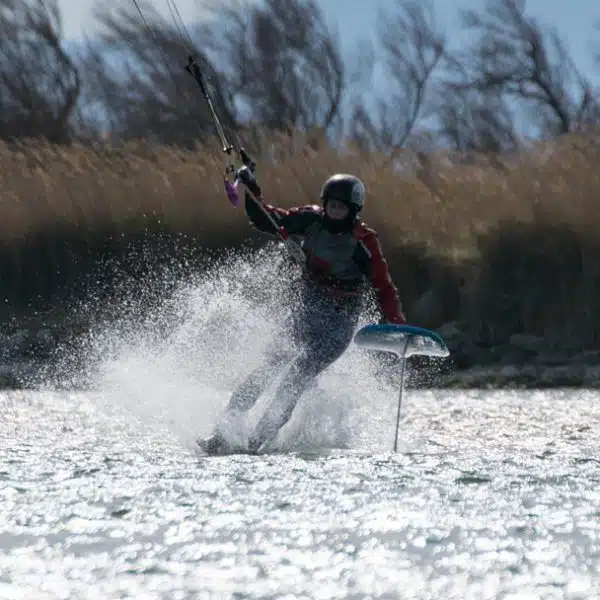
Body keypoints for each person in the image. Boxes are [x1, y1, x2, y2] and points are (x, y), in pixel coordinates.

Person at [199, 165, 406, 455]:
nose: (334, 211)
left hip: (337, 326)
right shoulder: (310, 219)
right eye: (331, 205)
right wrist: (251, 189)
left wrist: (395, 322)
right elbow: (267, 219)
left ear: (354, 210)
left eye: (341, 207)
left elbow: (383, 287)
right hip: (305, 312)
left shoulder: (364, 242)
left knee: (296, 378)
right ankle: (223, 433)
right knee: (267, 368)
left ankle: (257, 442)